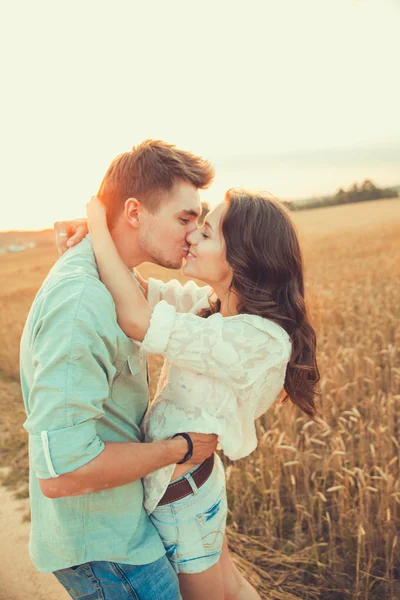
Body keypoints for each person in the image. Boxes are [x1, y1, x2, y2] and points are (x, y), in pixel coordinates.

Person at [62, 187, 319, 600]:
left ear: (242, 255)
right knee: (231, 587)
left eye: (206, 233)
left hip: (183, 502)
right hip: (193, 486)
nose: (191, 239)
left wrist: (96, 220)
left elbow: (136, 318)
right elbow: (141, 291)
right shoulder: (216, 305)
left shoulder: (255, 337)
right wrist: (104, 239)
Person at [20, 140, 221, 600]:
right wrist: (181, 448)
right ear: (134, 212)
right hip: (103, 547)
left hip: (119, 526)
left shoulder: (117, 279)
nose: (193, 234)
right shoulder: (82, 301)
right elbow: (62, 473)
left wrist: (96, 226)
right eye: (185, 218)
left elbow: (196, 309)